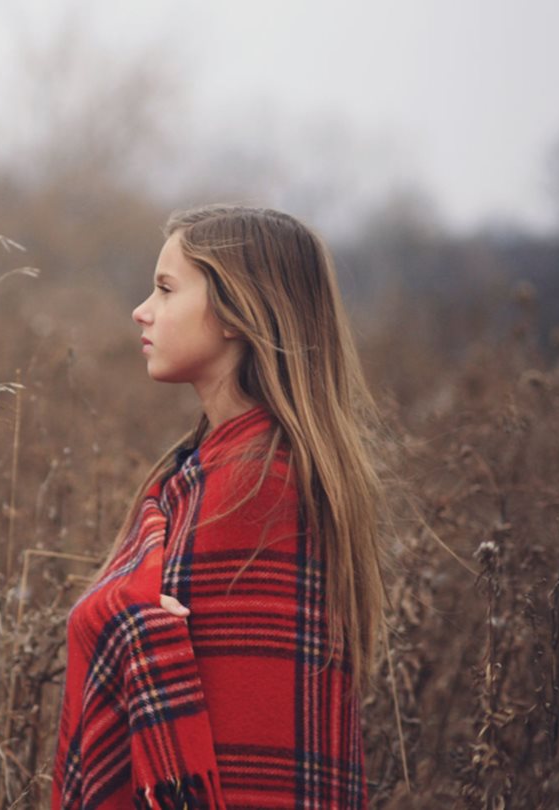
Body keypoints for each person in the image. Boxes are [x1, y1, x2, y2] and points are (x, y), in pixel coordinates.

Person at [52, 205, 384, 808]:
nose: (142, 310)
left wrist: (113, 614)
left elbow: (244, 732)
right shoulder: (210, 466)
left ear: (236, 311)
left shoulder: (257, 485)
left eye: (165, 288)